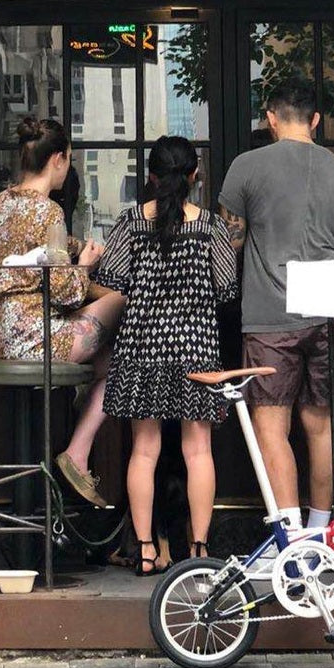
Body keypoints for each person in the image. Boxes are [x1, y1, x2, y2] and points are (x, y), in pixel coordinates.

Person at [217, 85, 334, 543]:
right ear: (316, 120)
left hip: (270, 312)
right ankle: (323, 535)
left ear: (271, 119)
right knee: (320, 425)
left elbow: (231, 240)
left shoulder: (247, 167)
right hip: (329, 310)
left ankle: (290, 541)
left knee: (272, 425)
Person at [94, 136, 240, 575]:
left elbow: (112, 280)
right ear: (195, 176)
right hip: (196, 346)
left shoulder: (131, 222)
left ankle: (143, 550)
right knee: (198, 451)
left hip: (142, 344)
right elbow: (227, 289)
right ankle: (198, 551)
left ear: (152, 177)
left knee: (144, 450)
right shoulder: (211, 227)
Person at [0, 116, 125, 507]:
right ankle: (77, 453)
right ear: (60, 159)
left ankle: (78, 426)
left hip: (0, 338)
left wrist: (70, 250)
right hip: (36, 342)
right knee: (120, 308)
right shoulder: (49, 212)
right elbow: (65, 292)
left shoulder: (2, 202)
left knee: (108, 361)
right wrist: (87, 265)